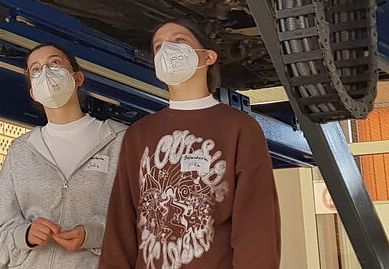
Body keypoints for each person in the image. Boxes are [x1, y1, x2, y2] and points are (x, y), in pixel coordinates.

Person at [99, 20, 280, 269]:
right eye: (159, 46)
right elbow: (122, 220)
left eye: (179, 40)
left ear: (208, 56)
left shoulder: (238, 127)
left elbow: (256, 222)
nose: (167, 49)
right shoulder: (139, 133)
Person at [0, 44, 127, 269]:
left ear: (78, 78)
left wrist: (93, 235)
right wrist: (26, 234)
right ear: (33, 91)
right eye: (36, 70)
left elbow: (139, 223)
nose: (46, 72)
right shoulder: (21, 150)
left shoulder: (120, 140)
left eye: (55, 63)